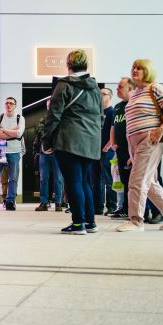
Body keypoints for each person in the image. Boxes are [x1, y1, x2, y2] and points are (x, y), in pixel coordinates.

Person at [116, 59, 163, 232]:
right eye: (133, 67)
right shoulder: (135, 94)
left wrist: (161, 130)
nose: (135, 70)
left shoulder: (154, 88)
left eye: (139, 68)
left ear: (147, 71)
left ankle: (136, 220)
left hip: (150, 139)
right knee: (150, 182)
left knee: (137, 180)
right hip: (135, 143)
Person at [41, 50, 103, 235]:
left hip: (69, 140)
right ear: (86, 65)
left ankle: (78, 224)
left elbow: (54, 115)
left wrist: (47, 140)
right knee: (85, 182)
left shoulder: (64, 85)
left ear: (68, 65)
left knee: (73, 182)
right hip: (91, 142)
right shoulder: (96, 88)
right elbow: (100, 118)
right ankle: (90, 222)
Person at [33, 100, 64, 212]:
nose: (50, 107)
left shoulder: (62, 118)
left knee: (58, 179)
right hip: (44, 152)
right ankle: (44, 203)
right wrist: (47, 143)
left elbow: (62, 133)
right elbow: (40, 131)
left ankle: (58, 203)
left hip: (57, 152)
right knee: (43, 179)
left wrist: (53, 144)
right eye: (48, 105)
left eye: (52, 104)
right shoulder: (43, 119)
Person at [108, 77, 132, 219]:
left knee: (131, 181)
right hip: (120, 149)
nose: (117, 90)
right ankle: (124, 208)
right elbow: (113, 127)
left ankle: (130, 209)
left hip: (132, 149)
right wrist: (113, 144)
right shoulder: (117, 107)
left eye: (120, 87)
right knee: (123, 180)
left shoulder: (134, 104)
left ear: (129, 88)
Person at [94, 87, 117, 214]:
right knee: (96, 180)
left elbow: (114, 131)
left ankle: (112, 206)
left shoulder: (112, 112)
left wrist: (108, 146)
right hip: (94, 151)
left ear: (110, 96)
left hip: (106, 151)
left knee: (108, 180)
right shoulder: (96, 113)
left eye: (103, 94)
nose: (100, 96)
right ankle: (98, 207)